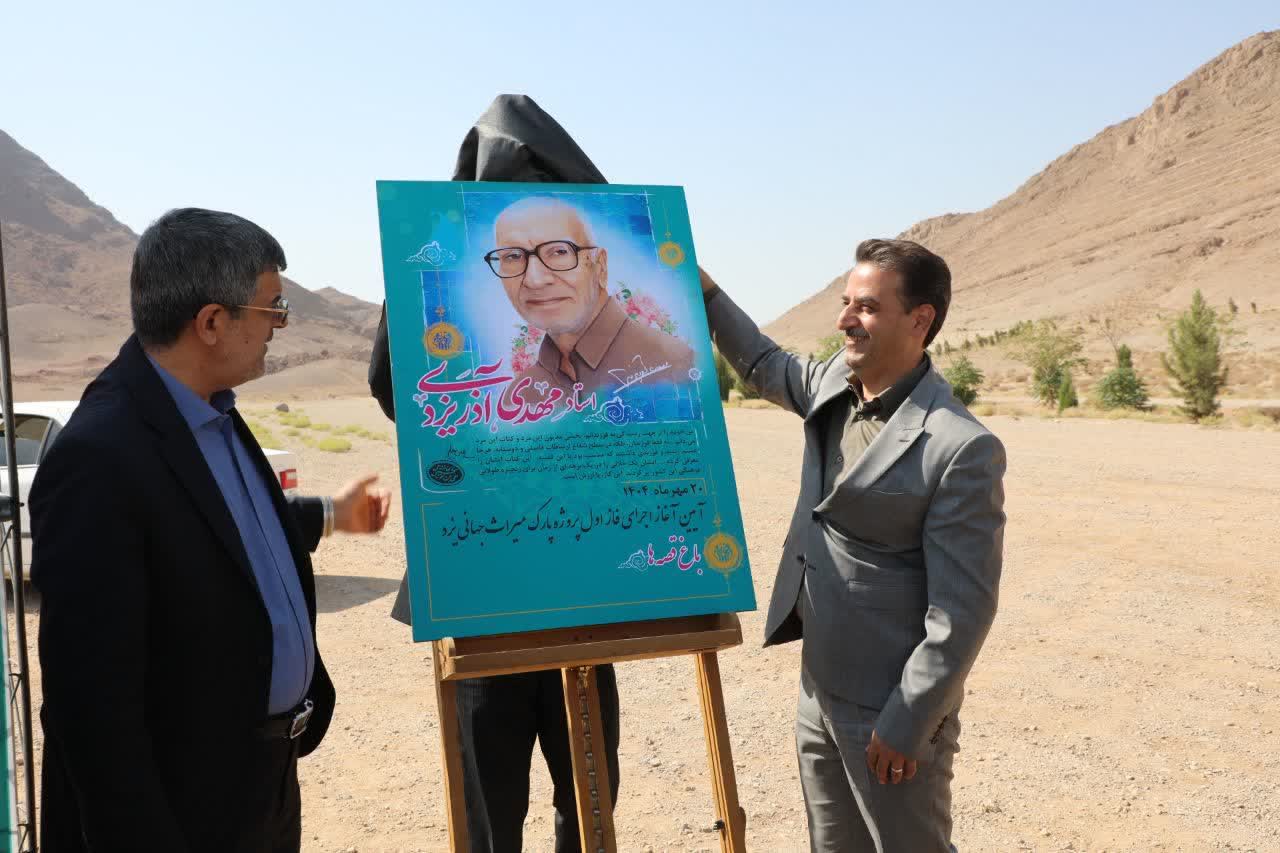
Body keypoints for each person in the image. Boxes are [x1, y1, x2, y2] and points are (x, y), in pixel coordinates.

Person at [31, 207, 392, 853]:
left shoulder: (208, 412)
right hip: (181, 808)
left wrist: (331, 515)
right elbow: (90, 705)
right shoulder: (99, 458)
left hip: (256, 783)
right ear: (212, 322)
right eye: (273, 309)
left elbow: (218, 528)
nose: (279, 326)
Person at [369, 95, 623, 853]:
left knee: (567, 789)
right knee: (521, 792)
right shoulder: (441, 275)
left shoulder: (586, 293)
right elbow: (396, 385)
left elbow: (388, 384)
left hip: (554, 570)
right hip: (513, 573)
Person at [701, 238, 1006, 851]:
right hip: (819, 688)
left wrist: (909, 719)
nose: (844, 320)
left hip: (888, 707)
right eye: (846, 303)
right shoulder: (832, 385)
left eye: (866, 307)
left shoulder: (960, 447)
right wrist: (704, 291)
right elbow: (760, 361)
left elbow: (962, 612)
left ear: (919, 319)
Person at [486, 196, 695, 397]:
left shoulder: (674, 366)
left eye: (559, 252)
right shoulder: (523, 395)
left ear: (600, 265)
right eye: (513, 256)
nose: (534, 280)